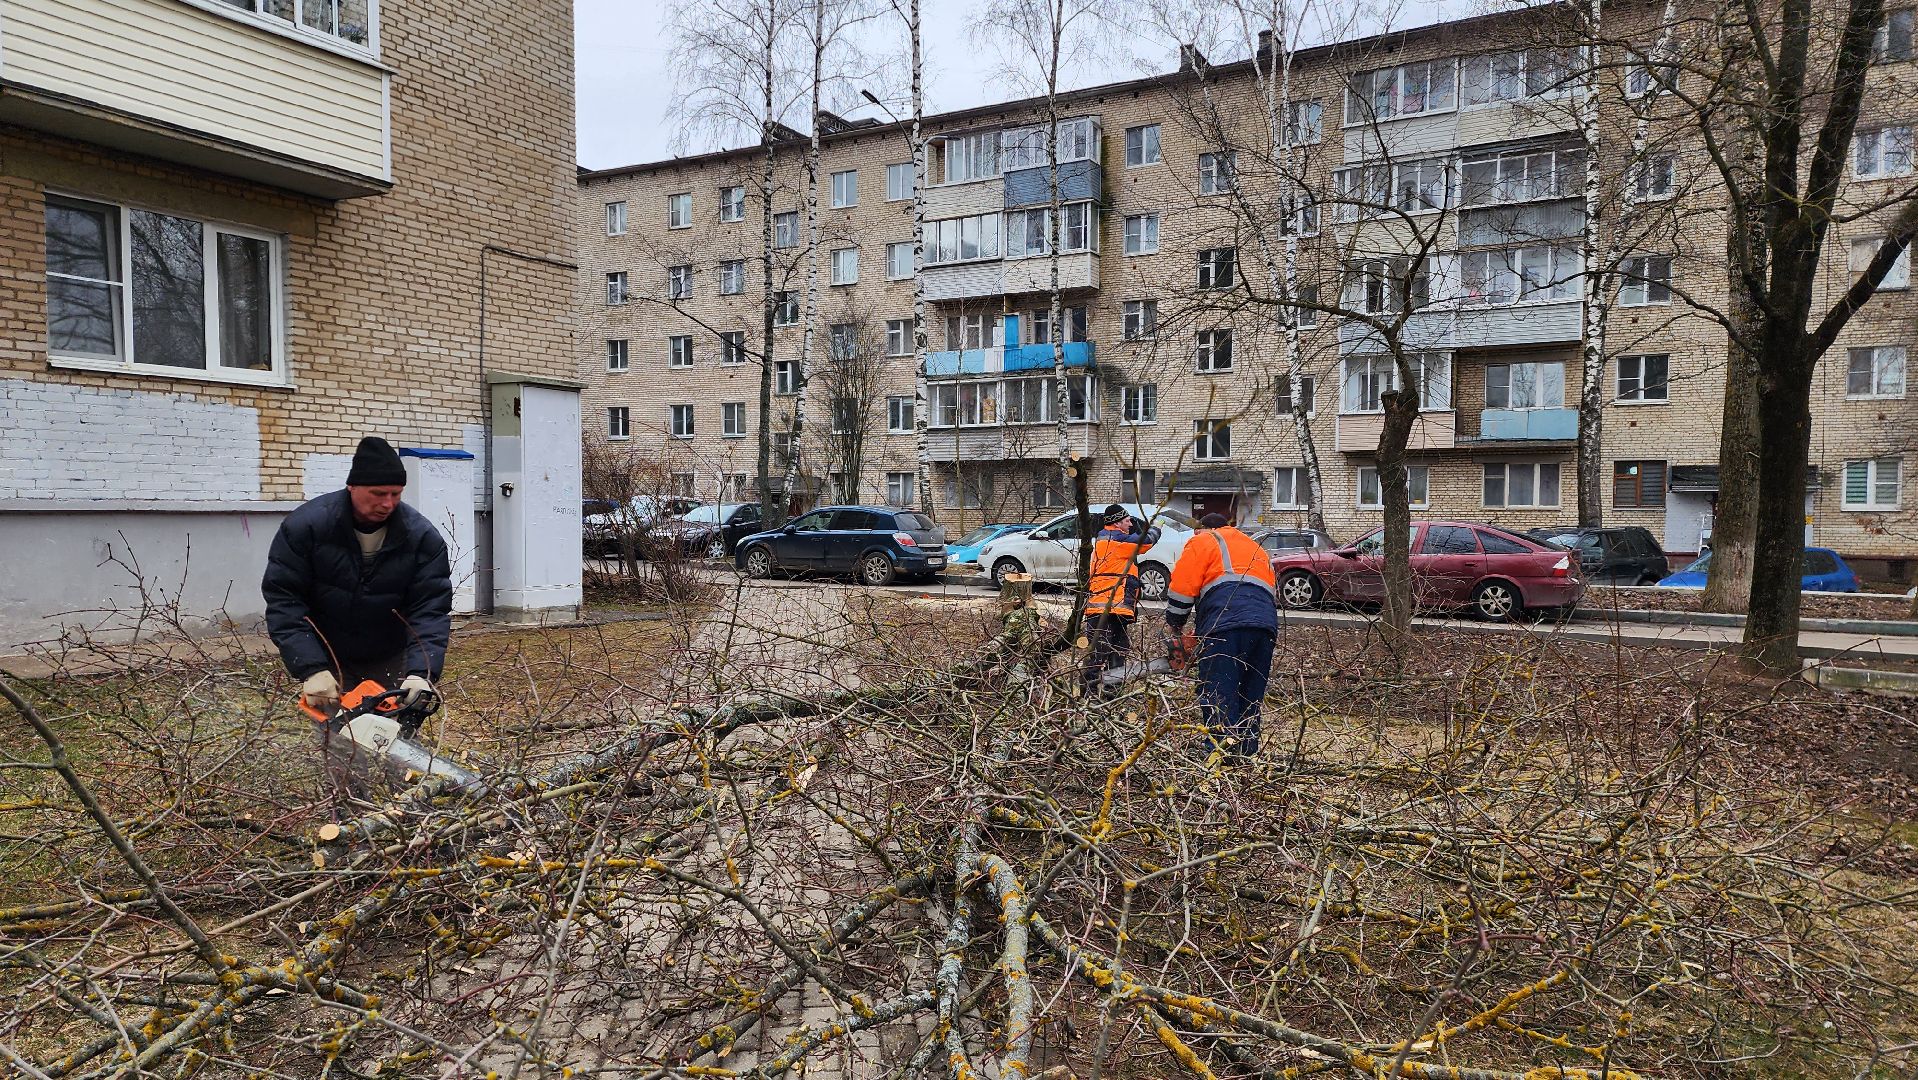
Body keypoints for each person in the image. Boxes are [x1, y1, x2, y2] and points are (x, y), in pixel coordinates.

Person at [263, 436, 452, 726]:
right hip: (328, 654)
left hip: (390, 654)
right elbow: (285, 601)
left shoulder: (421, 538)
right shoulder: (306, 528)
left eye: (396, 494)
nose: (388, 503)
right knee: (340, 744)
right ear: (352, 486)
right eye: (378, 493)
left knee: (393, 739)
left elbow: (429, 609)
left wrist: (421, 672)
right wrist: (310, 667)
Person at [1164, 512, 1277, 762]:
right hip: (1265, 625)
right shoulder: (1253, 546)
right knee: (1250, 691)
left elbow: (1182, 588)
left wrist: (1175, 625)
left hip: (1225, 623)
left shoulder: (1203, 540)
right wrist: (1201, 631)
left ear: (1202, 529)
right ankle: (1246, 752)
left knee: (1218, 689)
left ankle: (1221, 755)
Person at [1082, 504, 1161, 695]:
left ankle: (1111, 696)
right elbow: (1146, 541)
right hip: (1105, 608)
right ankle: (1087, 697)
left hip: (1114, 609)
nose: (1131, 524)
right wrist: (1158, 525)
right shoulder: (1115, 540)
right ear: (1117, 523)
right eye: (1127, 521)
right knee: (1100, 653)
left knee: (1117, 653)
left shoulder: (1111, 538)